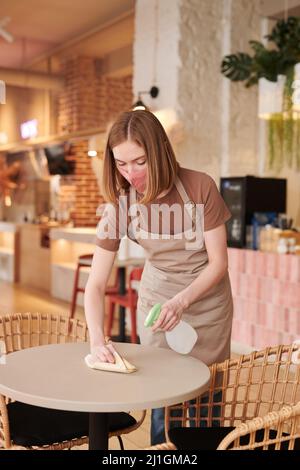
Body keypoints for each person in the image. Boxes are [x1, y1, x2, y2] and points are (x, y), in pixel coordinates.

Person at [84, 110, 233, 446]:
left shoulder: (199, 186)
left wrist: (182, 301)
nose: (131, 174)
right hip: (158, 301)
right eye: (121, 164)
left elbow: (219, 263)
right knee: (166, 400)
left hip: (207, 301)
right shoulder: (120, 206)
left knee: (208, 402)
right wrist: (97, 339)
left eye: (139, 162)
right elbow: (95, 284)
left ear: (160, 151)